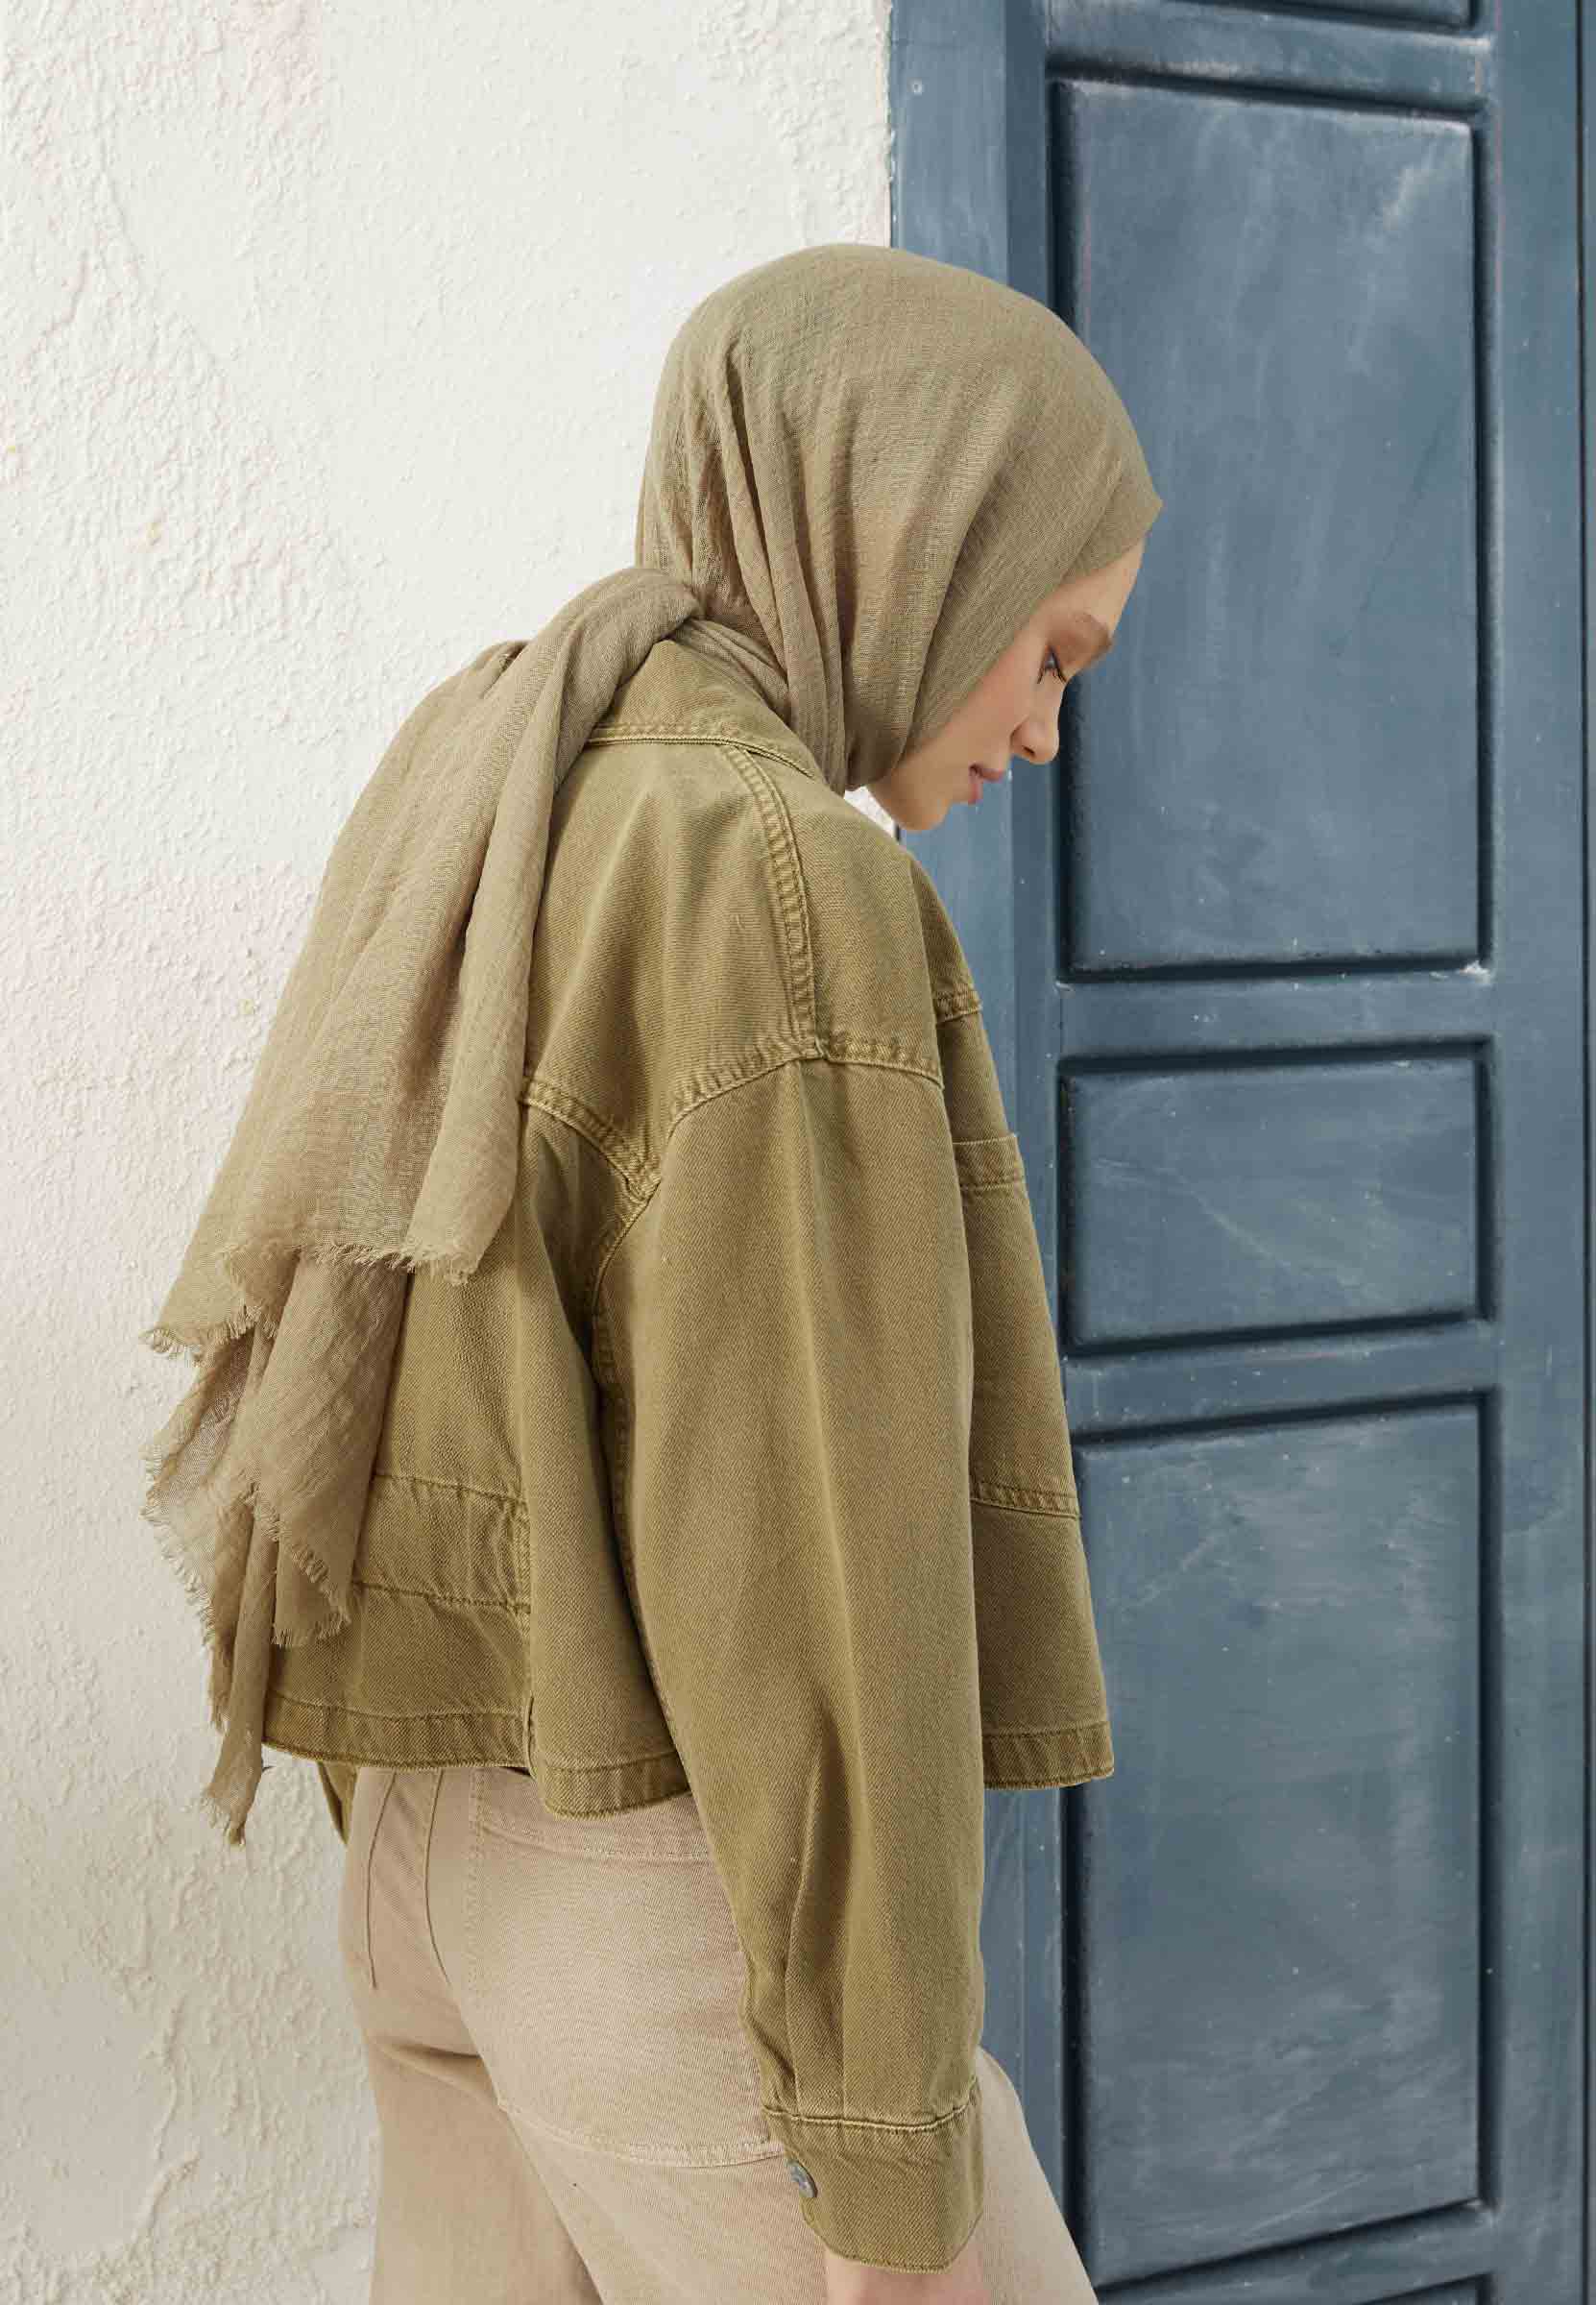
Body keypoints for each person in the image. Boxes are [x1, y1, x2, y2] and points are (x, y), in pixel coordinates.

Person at [136, 241, 1160, 2303]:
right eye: (1050, 652)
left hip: (431, 1851)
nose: (1046, 730)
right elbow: (812, 1543)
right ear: (919, 541)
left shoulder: (513, 760)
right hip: (659, 1897)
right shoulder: (776, 874)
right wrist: (878, 2129)